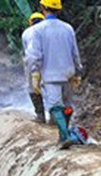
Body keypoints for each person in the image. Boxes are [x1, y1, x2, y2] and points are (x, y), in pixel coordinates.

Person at [26, 0, 84, 148]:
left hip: (50, 74)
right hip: (68, 72)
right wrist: (78, 71)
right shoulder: (68, 28)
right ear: (58, 10)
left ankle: (64, 137)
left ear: (43, 8)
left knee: (54, 106)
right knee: (67, 105)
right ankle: (63, 133)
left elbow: (34, 55)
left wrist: (35, 73)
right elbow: (75, 52)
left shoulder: (37, 30)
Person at [22, 12, 46, 122]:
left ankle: (40, 114)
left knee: (32, 87)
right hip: (48, 61)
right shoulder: (47, 30)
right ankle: (55, 116)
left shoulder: (26, 32)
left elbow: (26, 49)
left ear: (31, 22)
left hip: (31, 61)